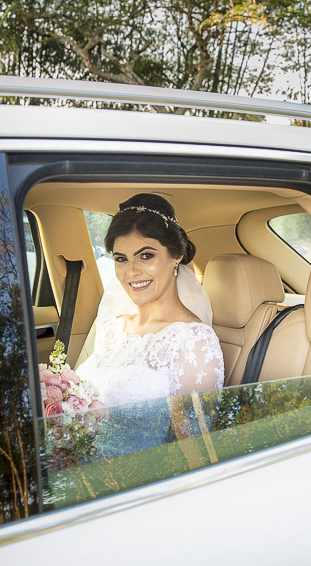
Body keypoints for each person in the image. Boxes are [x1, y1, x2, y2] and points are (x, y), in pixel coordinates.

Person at [75, 194, 224, 452]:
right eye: (121, 258)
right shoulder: (111, 329)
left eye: (145, 256)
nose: (131, 271)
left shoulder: (194, 341)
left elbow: (194, 453)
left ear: (176, 255)